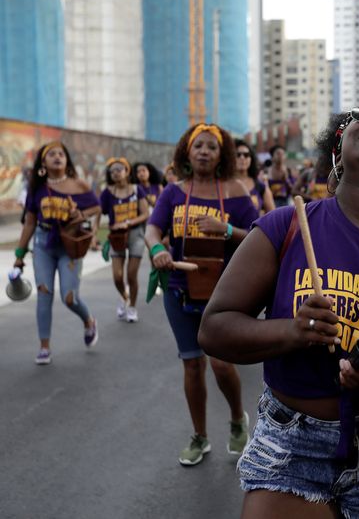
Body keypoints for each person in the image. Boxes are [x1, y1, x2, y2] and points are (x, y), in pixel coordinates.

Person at [198, 101, 359, 518]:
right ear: (338, 151)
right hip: (293, 444)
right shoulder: (283, 227)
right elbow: (213, 329)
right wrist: (293, 331)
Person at [144, 123, 259, 466]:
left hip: (222, 294)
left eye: (212, 146)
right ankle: (200, 436)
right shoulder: (174, 192)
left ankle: (238, 419)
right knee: (192, 365)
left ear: (221, 153)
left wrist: (225, 229)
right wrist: (155, 251)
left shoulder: (236, 190)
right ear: (187, 153)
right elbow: (153, 229)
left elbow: (260, 235)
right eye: (199, 147)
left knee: (222, 365)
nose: (205, 152)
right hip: (178, 290)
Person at [12, 142, 101, 365]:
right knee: (44, 294)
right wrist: (20, 254)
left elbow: (96, 207)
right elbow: (30, 222)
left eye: (61, 153)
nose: (57, 157)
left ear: (66, 159)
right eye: (51, 154)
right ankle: (44, 346)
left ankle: (89, 321)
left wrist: (77, 214)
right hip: (42, 244)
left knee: (69, 298)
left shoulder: (77, 184)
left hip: (69, 244)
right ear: (43, 162)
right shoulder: (37, 188)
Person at [98, 157, 150, 322]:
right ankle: (125, 297)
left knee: (131, 275)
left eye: (119, 169)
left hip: (135, 234)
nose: (115, 173)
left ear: (127, 171)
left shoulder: (137, 190)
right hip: (117, 237)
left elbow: (145, 214)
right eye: (112, 171)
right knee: (117, 277)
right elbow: (99, 212)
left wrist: (128, 222)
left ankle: (132, 307)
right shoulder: (107, 193)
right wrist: (94, 234)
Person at [235, 138, 276, 214]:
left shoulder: (260, 187)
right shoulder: (222, 184)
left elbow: (273, 216)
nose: (242, 158)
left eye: (246, 155)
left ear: (251, 159)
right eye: (238, 155)